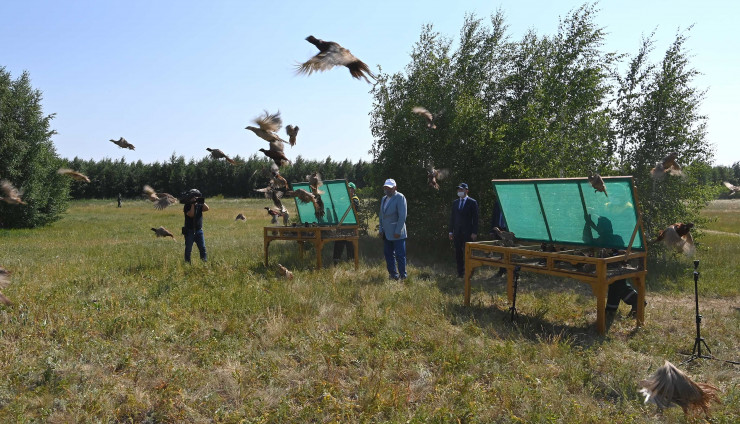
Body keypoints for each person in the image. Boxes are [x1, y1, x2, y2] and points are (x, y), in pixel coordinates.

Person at [583, 214, 640, 316]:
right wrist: (589, 224)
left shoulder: (603, 240)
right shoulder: (616, 238)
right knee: (619, 284)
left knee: (616, 284)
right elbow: (591, 238)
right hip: (617, 267)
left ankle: (612, 310)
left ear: (603, 228)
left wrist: (588, 224)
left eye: (599, 226)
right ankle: (636, 302)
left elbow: (586, 239)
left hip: (614, 268)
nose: (598, 227)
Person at [379, 178, 407, 280]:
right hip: (387, 233)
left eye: (389, 188)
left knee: (400, 255)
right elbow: (381, 215)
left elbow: (402, 216)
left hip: (397, 233)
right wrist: (381, 229)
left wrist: (397, 231)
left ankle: (403, 276)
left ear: (395, 188)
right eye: (386, 188)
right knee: (388, 254)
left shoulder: (400, 197)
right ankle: (393, 275)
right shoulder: (384, 199)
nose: (387, 190)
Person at [449, 183, 479, 278]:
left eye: (461, 190)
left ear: (467, 190)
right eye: (458, 190)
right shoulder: (455, 203)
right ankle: (460, 273)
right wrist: (450, 231)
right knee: (458, 252)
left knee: (468, 253)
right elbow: (452, 218)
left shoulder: (472, 202)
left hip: (468, 233)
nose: (459, 191)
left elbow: (476, 219)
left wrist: (474, 232)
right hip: (457, 232)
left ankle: (469, 272)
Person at [333, 181, 361, 264]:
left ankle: (351, 262)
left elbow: (354, 209)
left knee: (350, 244)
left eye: (350, 188)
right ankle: (336, 262)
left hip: (351, 225)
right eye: (347, 188)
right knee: (338, 243)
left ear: (354, 190)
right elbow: (339, 208)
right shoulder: (343, 198)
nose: (349, 190)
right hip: (342, 224)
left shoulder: (355, 199)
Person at [181, 189, 209, 263]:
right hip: (189, 231)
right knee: (188, 249)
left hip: (199, 230)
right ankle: (187, 263)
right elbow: (191, 214)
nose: (195, 198)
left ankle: (204, 262)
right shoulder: (187, 206)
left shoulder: (199, 204)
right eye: (194, 197)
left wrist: (201, 201)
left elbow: (207, 209)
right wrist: (193, 204)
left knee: (202, 248)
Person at [489, 196, 508, 276]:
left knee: (509, 250)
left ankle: (510, 270)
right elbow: (494, 216)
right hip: (498, 229)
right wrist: (492, 230)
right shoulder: (497, 202)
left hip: (508, 230)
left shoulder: (511, 202)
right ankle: (502, 270)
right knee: (501, 251)